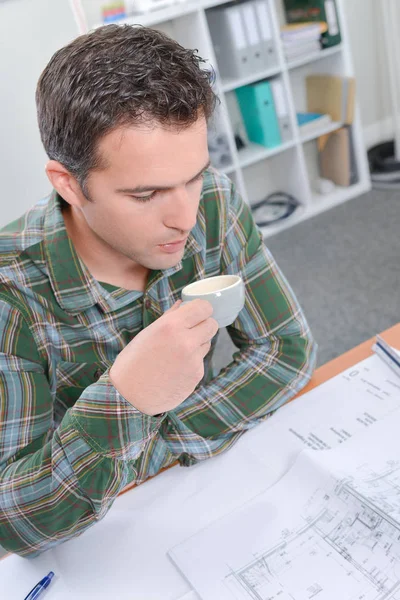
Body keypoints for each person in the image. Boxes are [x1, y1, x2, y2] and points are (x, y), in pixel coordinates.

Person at [0, 24, 316, 557]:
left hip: (205, 500)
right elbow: (14, 523)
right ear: (68, 184)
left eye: (193, 175)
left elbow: (286, 351)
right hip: (95, 544)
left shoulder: (214, 201)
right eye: (145, 194)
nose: (187, 217)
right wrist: (126, 400)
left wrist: (154, 441)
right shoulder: (12, 297)